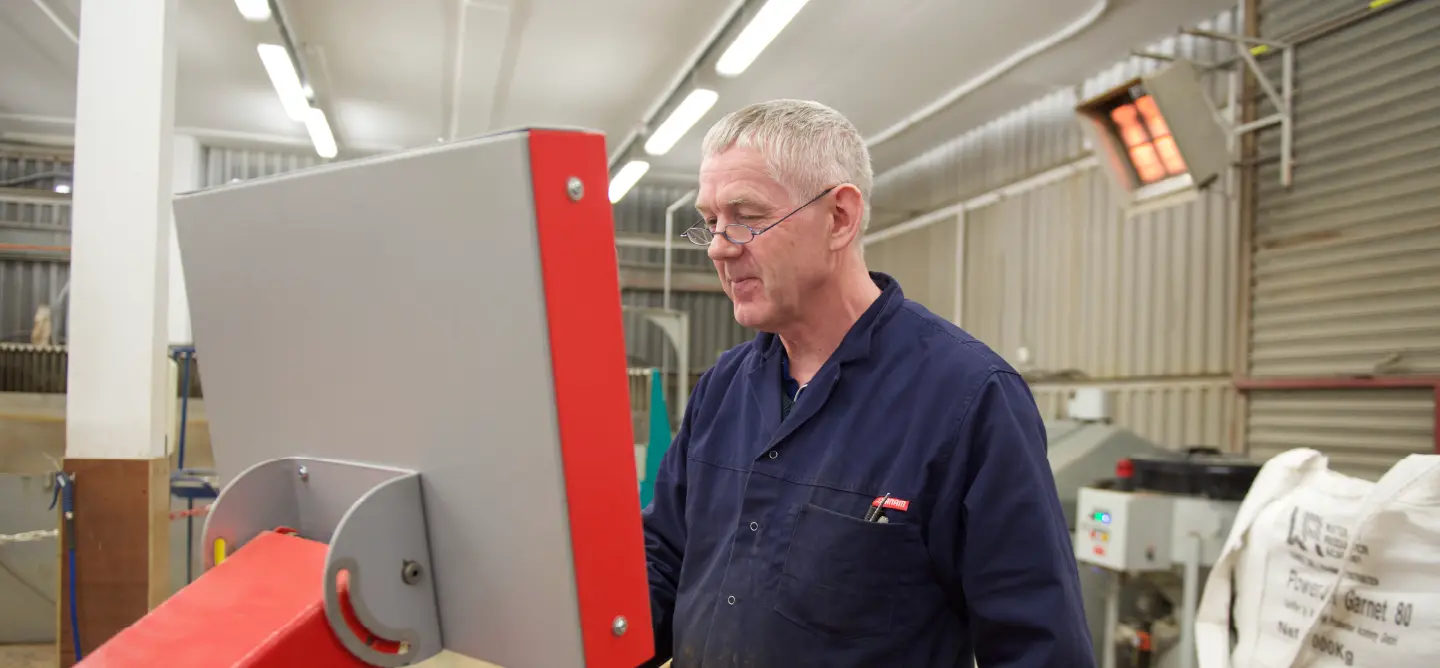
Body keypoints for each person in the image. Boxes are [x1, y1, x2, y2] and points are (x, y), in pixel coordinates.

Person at [640, 99, 1094, 668]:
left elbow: (1037, 647)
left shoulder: (968, 398)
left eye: (746, 217)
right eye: (710, 222)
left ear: (839, 219)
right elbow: (664, 565)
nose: (718, 247)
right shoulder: (722, 389)